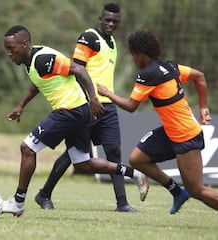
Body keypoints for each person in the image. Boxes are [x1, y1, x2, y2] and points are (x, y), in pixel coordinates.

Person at [97, 29, 218, 230]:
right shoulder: (168, 66)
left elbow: (131, 106)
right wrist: (203, 106)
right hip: (171, 131)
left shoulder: (147, 75)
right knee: (137, 159)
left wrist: (108, 93)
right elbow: (200, 77)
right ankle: (177, 192)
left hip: (185, 136)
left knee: (197, 189)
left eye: (133, 54)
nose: (133, 58)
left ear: (140, 53)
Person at [1, 25, 148, 217]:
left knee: (27, 148)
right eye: (7, 49)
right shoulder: (33, 61)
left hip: (70, 111)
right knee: (82, 163)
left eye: (11, 48)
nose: (9, 54)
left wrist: (94, 98)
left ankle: (18, 202)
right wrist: (21, 106)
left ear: (24, 44)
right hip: (79, 112)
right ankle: (134, 174)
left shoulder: (44, 59)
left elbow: (79, 69)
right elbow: (37, 83)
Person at [34, 3, 143, 213]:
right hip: (87, 105)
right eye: (107, 19)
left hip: (108, 107)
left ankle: (122, 204)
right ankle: (44, 194)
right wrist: (90, 99)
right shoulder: (89, 37)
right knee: (75, 153)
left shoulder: (112, 43)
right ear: (99, 19)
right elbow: (77, 69)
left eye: (115, 21)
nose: (111, 23)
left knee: (114, 151)